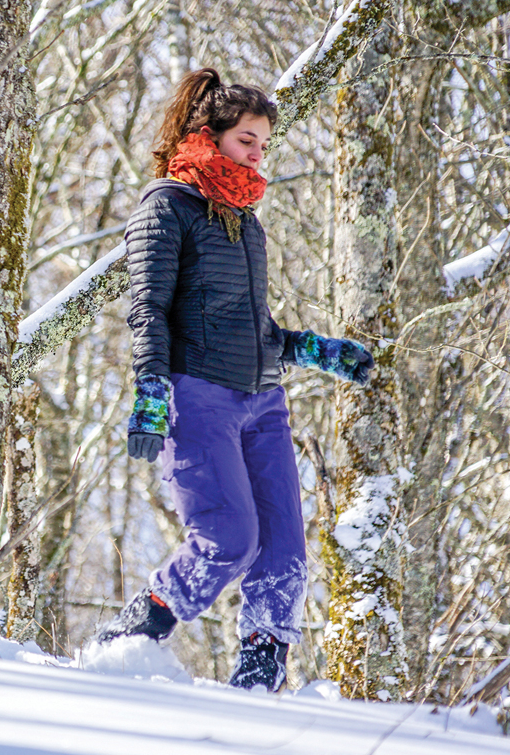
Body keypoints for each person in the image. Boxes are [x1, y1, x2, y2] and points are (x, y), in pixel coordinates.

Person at [99, 68, 374, 693]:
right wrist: (150, 391)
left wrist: (315, 350)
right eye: (247, 140)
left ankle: (258, 678)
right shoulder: (166, 205)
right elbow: (147, 306)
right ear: (211, 134)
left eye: (263, 145)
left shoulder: (245, 220)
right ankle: (129, 639)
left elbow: (255, 327)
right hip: (197, 395)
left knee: (283, 551)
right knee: (228, 537)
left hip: (263, 400)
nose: (257, 155)